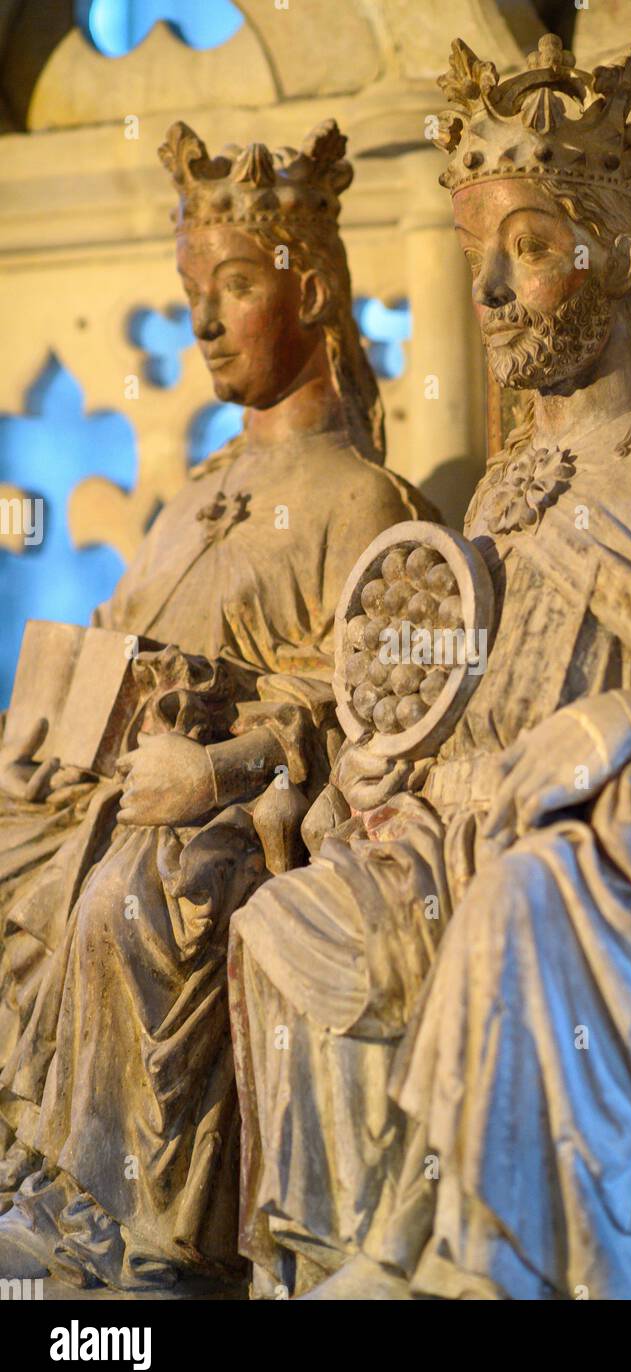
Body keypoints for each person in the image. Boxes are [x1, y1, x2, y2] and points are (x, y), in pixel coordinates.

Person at [227, 38, 631, 1299]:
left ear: (612, 256)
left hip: (607, 840)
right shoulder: (503, 495)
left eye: (522, 248)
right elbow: (450, 686)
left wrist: (625, 721)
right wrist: (378, 752)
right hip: (458, 829)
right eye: (479, 262)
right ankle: (362, 1248)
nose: (491, 294)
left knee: (519, 901)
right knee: (280, 914)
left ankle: (503, 1261)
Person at [0, 117, 432, 1291]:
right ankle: (28, 1164)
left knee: (130, 895)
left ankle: (141, 1224)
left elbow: (364, 707)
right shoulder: (197, 493)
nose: (199, 320)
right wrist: (53, 723)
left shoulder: (361, 496)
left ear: (312, 290)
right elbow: (114, 638)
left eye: (233, 285)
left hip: (238, 814)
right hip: (112, 778)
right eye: (193, 288)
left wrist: (218, 767)